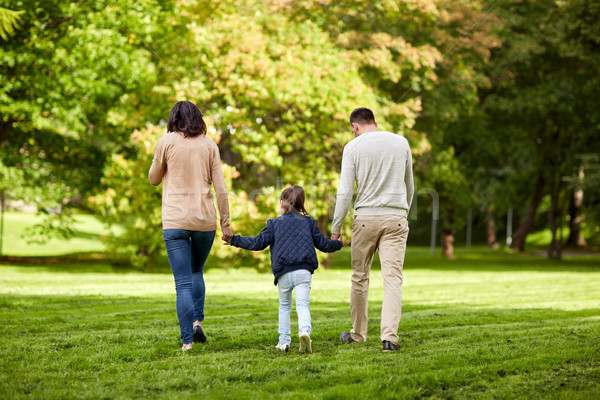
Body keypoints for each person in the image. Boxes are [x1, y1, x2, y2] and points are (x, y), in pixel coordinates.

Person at [149, 101, 233, 352]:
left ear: (173, 118)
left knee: (182, 282)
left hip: (175, 221)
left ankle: (187, 342)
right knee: (197, 271)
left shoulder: (165, 142)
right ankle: (197, 321)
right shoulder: (209, 145)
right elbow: (221, 189)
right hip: (204, 220)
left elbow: (153, 179)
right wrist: (226, 224)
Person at [331, 107, 413, 352]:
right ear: (374, 122)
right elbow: (409, 184)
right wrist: (402, 212)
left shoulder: (352, 147)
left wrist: (336, 228)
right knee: (393, 279)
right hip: (396, 218)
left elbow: (345, 192)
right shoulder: (401, 143)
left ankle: (357, 334)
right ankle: (389, 338)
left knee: (359, 277)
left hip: (365, 218)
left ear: (355, 127)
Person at [225, 185, 343, 353]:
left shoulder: (273, 224)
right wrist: (338, 243)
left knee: (285, 306)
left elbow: (257, 243)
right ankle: (304, 331)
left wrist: (234, 240)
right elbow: (324, 245)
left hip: (284, 273)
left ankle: (284, 341)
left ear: (282, 204)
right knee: (303, 305)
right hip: (303, 271)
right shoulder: (308, 222)